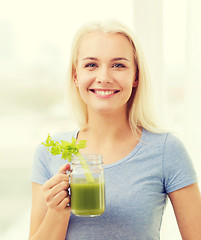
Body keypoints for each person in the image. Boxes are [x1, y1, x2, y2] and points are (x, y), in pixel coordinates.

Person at [29, 21, 201, 240]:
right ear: (75, 75)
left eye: (118, 65)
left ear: (136, 76)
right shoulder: (50, 152)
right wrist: (57, 211)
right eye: (91, 65)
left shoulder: (166, 150)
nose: (104, 77)